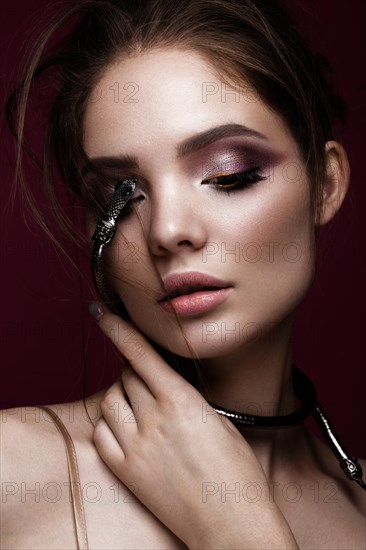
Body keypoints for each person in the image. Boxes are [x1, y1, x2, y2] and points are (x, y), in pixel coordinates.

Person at [1, 0, 365, 548]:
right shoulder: (15, 474)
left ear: (326, 184)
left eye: (228, 175)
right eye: (121, 197)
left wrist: (237, 530)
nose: (166, 231)